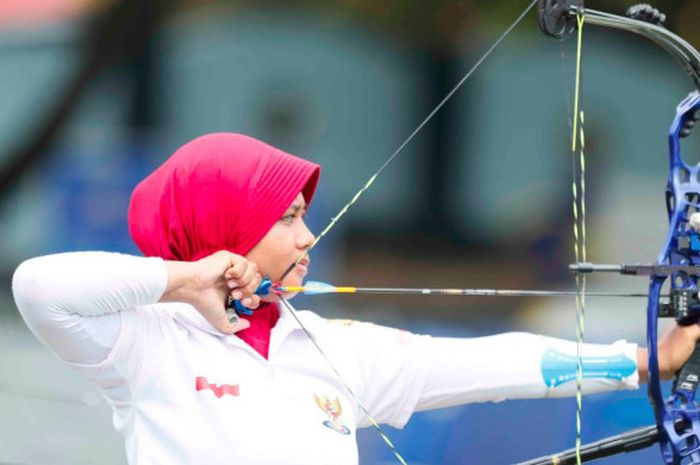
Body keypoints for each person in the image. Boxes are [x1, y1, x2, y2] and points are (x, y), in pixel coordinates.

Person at [11, 133, 700, 465]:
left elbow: (494, 363)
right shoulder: (145, 341)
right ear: (223, 228)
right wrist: (188, 279)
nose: (308, 234)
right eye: (284, 218)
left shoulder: (335, 349)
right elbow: (38, 287)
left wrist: (643, 359)